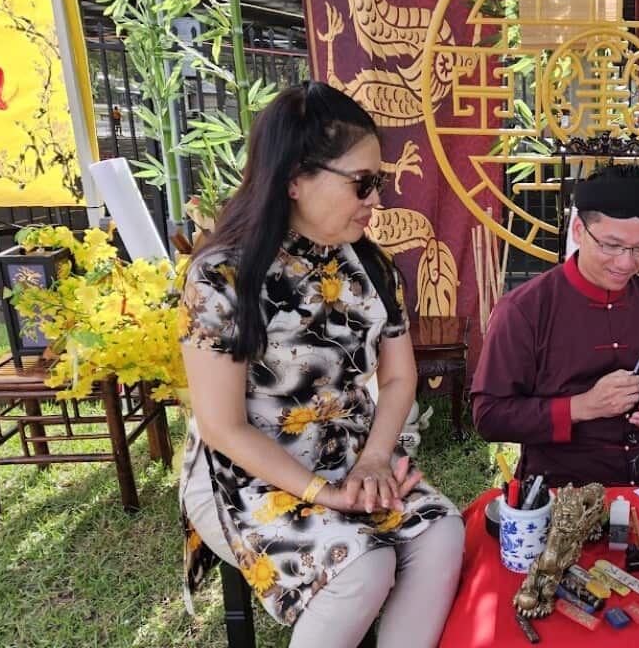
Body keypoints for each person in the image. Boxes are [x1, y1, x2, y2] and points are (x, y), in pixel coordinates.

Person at [179, 81, 463, 648]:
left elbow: (400, 376)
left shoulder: (374, 268)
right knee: (363, 567)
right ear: (294, 179)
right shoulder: (222, 277)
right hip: (246, 474)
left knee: (441, 535)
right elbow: (221, 426)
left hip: (355, 457)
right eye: (363, 183)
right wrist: (320, 492)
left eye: (377, 182)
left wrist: (377, 458)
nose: (376, 199)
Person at [471, 162, 639, 488]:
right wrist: (581, 407)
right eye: (611, 245)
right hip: (559, 479)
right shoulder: (524, 310)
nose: (626, 263)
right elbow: (488, 416)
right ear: (578, 231)